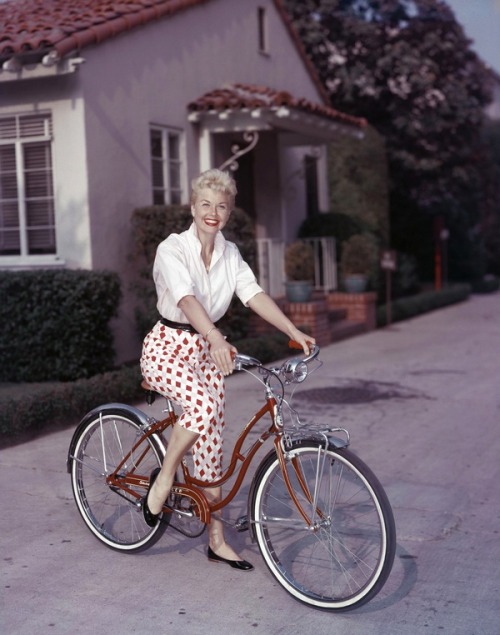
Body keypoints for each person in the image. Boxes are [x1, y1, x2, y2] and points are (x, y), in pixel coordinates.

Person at [140, 168, 314, 572]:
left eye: (221, 206)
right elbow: (184, 299)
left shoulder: (229, 253)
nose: (212, 213)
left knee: (213, 442)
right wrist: (217, 338)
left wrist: (291, 329)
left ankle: (216, 539)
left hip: (205, 351)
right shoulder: (172, 248)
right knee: (200, 409)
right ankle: (164, 479)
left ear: (229, 212)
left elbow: (252, 294)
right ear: (192, 207)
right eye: (205, 204)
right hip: (167, 347)